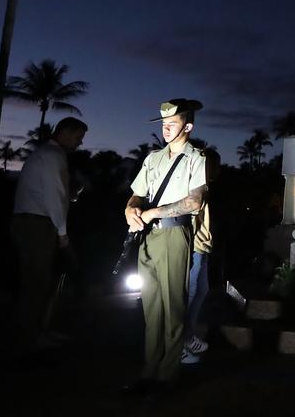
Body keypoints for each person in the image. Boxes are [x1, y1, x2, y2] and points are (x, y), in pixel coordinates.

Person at [122, 99, 207, 396]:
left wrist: (152, 213)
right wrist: (130, 210)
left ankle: (167, 375)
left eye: (172, 124)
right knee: (152, 309)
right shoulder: (153, 158)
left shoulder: (196, 158)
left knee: (173, 308)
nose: (167, 129)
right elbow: (136, 195)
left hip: (174, 236)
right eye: (164, 124)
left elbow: (195, 201)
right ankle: (149, 371)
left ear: (188, 126)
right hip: (148, 238)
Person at [11, 117, 88, 354]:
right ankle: (32, 338)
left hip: (31, 222)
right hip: (36, 225)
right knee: (36, 283)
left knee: (38, 281)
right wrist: (63, 235)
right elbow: (54, 199)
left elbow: (53, 193)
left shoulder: (46, 154)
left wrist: (70, 196)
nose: (79, 143)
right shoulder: (53, 156)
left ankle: (38, 331)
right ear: (64, 132)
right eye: (77, 138)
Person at [181, 148, 221, 365]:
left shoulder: (205, 187)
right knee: (190, 293)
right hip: (195, 246)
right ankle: (182, 342)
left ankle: (188, 336)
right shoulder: (196, 186)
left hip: (203, 246)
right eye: (215, 165)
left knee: (200, 291)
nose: (218, 169)